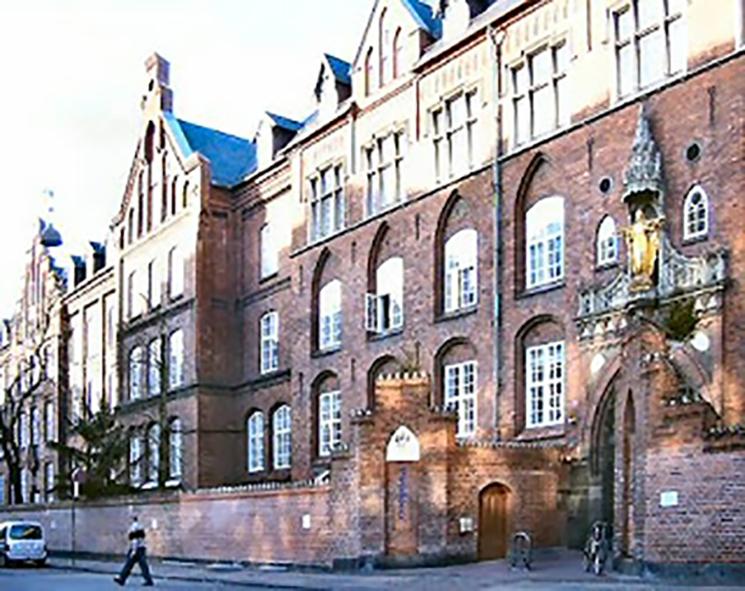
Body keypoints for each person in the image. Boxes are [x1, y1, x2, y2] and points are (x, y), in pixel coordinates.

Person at [113, 515, 154, 586]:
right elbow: (141, 538)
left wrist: (134, 551)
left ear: (132, 519)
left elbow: (135, 540)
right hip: (141, 548)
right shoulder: (140, 526)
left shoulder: (133, 527)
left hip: (137, 549)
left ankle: (122, 578)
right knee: (142, 565)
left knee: (130, 564)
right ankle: (148, 580)